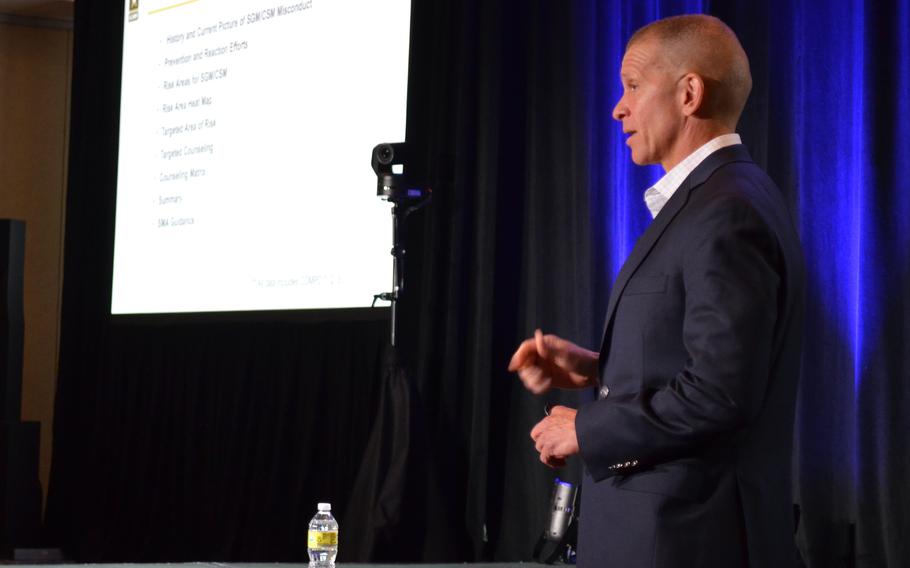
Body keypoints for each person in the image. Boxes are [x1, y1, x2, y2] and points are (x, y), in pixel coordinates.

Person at [509, 14, 805, 567]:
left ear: (689, 92)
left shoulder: (727, 211)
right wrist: (600, 366)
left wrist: (588, 429)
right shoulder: (717, 199)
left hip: (685, 542)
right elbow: (703, 358)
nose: (618, 106)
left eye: (634, 86)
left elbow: (721, 394)